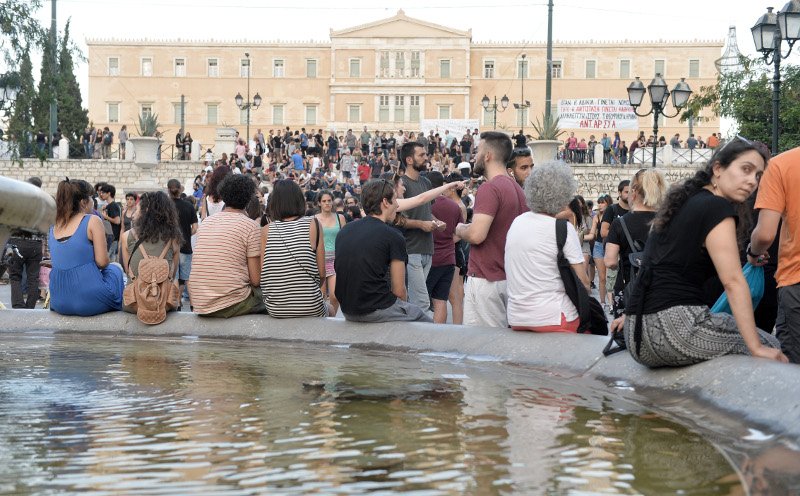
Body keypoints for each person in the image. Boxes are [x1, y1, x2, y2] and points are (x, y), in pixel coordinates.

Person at [621, 138, 787, 367]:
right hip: (674, 330)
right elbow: (733, 281)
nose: (752, 181)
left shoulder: (685, 202)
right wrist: (756, 347)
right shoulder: (716, 207)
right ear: (718, 168)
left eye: (758, 175)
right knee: (773, 348)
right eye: (746, 169)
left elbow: (659, 267)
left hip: (636, 334)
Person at [455, 131, 528, 328]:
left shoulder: (490, 188)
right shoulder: (518, 190)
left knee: (481, 350)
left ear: (488, 156)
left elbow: (477, 235)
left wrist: (460, 228)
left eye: (478, 151)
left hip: (487, 280)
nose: (475, 156)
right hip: (508, 278)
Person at [506, 162, 589, 332]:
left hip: (517, 317)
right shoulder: (562, 228)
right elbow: (584, 284)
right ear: (563, 195)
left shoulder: (517, 222)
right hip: (554, 317)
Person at [334, 179, 432, 323]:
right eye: (395, 200)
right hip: (375, 310)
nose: (398, 204)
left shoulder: (344, 231)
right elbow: (399, 291)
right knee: (424, 319)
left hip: (347, 310)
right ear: (386, 202)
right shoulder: (393, 236)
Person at [750, 141, 800, 363]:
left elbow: (765, 235)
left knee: (793, 372)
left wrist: (753, 251)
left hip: (796, 279)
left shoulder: (782, 165)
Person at [189, 175, 265, 317]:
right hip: (230, 303)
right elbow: (255, 279)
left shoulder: (206, 223)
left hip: (199, 302)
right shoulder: (251, 226)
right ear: (249, 199)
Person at [48, 179, 124, 316]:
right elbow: (102, 262)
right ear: (83, 202)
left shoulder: (54, 225)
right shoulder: (92, 220)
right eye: (91, 197)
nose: (93, 201)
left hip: (58, 300)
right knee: (115, 270)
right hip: (87, 300)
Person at [604, 169, 668, 318]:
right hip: (662, 289)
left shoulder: (619, 223)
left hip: (629, 288)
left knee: (626, 333)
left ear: (633, 193)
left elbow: (610, 261)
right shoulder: (668, 221)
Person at [260, 180, 327, 318]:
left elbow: (264, 273)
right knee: (331, 309)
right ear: (299, 200)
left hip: (275, 308)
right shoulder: (313, 224)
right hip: (311, 306)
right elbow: (321, 273)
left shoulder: (266, 230)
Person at [119, 191, 182, 313]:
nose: (133, 214)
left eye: (137, 209)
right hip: (164, 303)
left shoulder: (126, 236)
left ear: (145, 211)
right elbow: (172, 274)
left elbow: (128, 270)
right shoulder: (174, 239)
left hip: (134, 303)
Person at [399, 141, 443, 314]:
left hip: (427, 249)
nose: (426, 157)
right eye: (421, 155)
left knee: (415, 301)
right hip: (411, 250)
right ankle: (420, 339)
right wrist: (421, 225)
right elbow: (396, 219)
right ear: (409, 159)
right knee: (422, 303)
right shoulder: (401, 184)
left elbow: (426, 212)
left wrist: (436, 221)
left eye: (425, 154)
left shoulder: (425, 182)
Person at [426, 171, 463, 324]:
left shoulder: (425, 204)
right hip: (448, 258)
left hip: (430, 258)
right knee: (440, 300)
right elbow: (459, 231)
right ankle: (438, 335)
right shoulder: (454, 206)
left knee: (422, 301)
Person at [7, 177, 45, 309]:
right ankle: (30, 307)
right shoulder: (43, 203)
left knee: (15, 275)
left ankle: (18, 305)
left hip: (17, 242)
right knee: (33, 277)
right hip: (36, 244)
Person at [168, 179, 199, 310]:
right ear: (180, 189)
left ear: (168, 190)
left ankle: (177, 302)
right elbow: (195, 227)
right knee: (187, 278)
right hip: (186, 246)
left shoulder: (167, 207)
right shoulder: (189, 206)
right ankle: (193, 304)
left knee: (174, 276)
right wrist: (186, 235)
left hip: (170, 246)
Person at [315, 190, 347, 316]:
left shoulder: (340, 218)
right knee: (321, 296)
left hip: (336, 259)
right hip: (319, 258)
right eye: (324, 201)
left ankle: (331, 318)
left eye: (329, 200)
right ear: (319, 203)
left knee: (334, 296)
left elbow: (346, 238)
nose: (327, 203)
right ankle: (323, 320)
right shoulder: (314, 219)